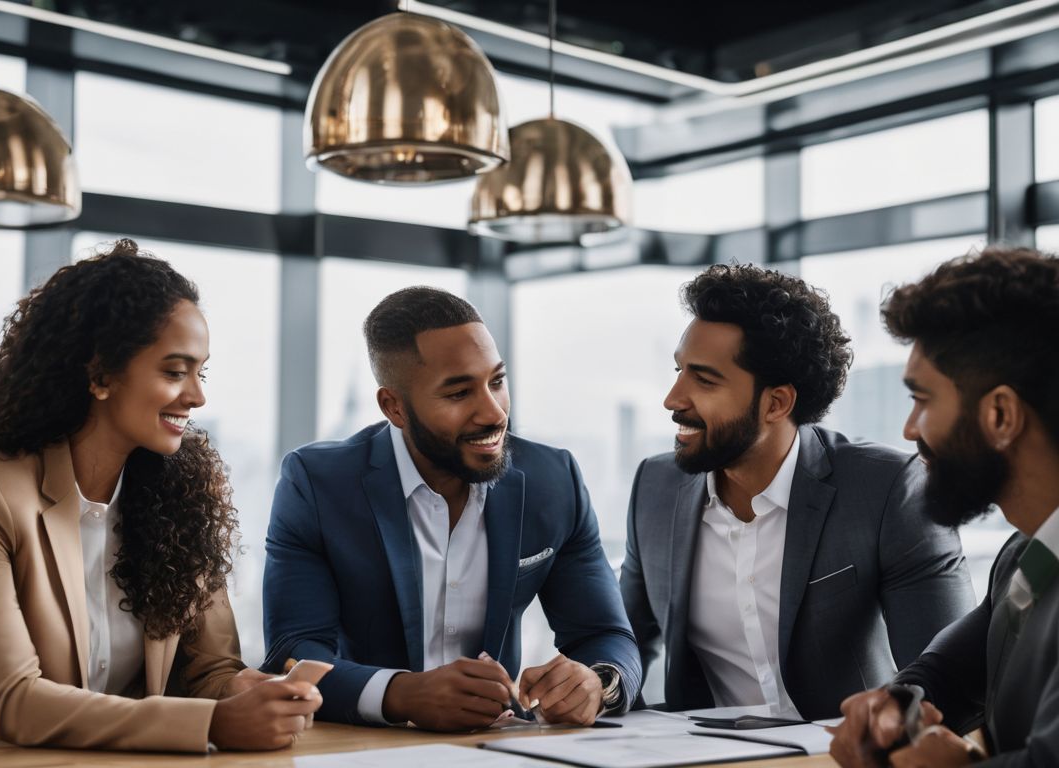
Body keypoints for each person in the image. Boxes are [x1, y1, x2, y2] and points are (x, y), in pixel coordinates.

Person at [0, 239, 320, 755]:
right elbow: (14, 701)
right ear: (100, 376)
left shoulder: (181, 496)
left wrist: (241, 692)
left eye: (200, 371)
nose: (197, 395)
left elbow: (211, 669)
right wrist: (211, 724)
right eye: (174, 371)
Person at [262, 286, 641, 731]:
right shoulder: (317, 483)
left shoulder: (552, 480)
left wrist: (597, 683)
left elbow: (606, 634)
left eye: (496, 382)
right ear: (394, 406)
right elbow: (294, 651)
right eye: (460, 393)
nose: (493, 412)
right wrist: (402, 693)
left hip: (499, 747)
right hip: (359, 746)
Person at [620, 263, 974, 720]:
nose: (673, 398)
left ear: (776, 403)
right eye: (678, 370)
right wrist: (600, 682)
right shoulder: (655, 487)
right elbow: (623, 642)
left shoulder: (888, 489)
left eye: (704, 380)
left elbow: (950, 681)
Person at [829, 247, 1059, 768]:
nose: (910, 430)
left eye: (923, 400)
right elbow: (953, 670)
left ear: (1001, 414)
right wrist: (896, 705)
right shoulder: (1029, 552)